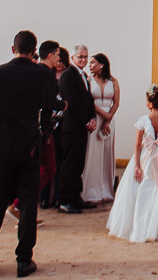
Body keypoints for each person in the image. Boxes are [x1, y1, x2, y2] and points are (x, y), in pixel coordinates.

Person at [0, 31, 54, 280]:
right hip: (29, 146)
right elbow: (48, 105)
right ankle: (24, 260)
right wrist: (42, 130)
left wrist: (2, 126)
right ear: (34, 51)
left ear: (13, 49)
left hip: (2, 147)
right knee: (29, 205)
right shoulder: (42, 73)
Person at [105, 85, 158, 242]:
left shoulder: (143, 120)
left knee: (140, 188)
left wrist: (137, 165)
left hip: (145, 157)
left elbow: (137, 145)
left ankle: (139, 223)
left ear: (150, 103)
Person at [57, 44, 95, 214]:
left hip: (82, 127)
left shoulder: (83, 76)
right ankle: (65, 200)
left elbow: (88, 99)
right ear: (72, 58)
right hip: (72, 127)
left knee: (79, 164)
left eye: (85, 57)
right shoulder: (67, 76)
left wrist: (93, 117)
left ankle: (76, 197)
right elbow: (71, 102)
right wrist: (85, 121)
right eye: (80, 57)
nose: (83, 60)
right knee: (69, 165)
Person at [81, 52, 119, 205]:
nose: (89, 65)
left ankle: (107, 191)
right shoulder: (89, 81)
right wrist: (103, 115)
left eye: (92, 63)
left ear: (101, 64)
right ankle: (91, 192)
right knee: (93, 154)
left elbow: (116, 102)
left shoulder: (113, 81)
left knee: (107, 154)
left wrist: (108, 119)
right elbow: (89, 102)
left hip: (109, 120)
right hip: (95, 118)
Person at [39, 45, 68, 209]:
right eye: (57, 54)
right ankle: (19, 204)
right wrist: (63, 104)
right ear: (50, 55)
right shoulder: (48, 73)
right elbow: (49, 100)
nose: (59, 58)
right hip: (44, 125)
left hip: (32, 125)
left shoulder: (34, 70)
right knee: (49, 167)